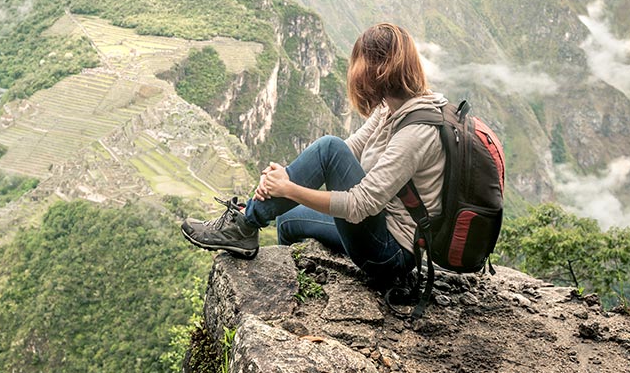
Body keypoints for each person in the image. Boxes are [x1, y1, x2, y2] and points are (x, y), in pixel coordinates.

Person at [180, 22, 447, 284]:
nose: (355, 72)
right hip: (376, 227)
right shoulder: (388, 109)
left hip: (391, 252)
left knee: (328, 149)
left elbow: (360, 204)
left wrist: (288, 189)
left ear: (379, 68)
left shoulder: (417, 130)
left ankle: (245, 223)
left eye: (360, 63)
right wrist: (283, 178)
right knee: (286, 219)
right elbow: (349, 152)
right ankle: (289, 284)